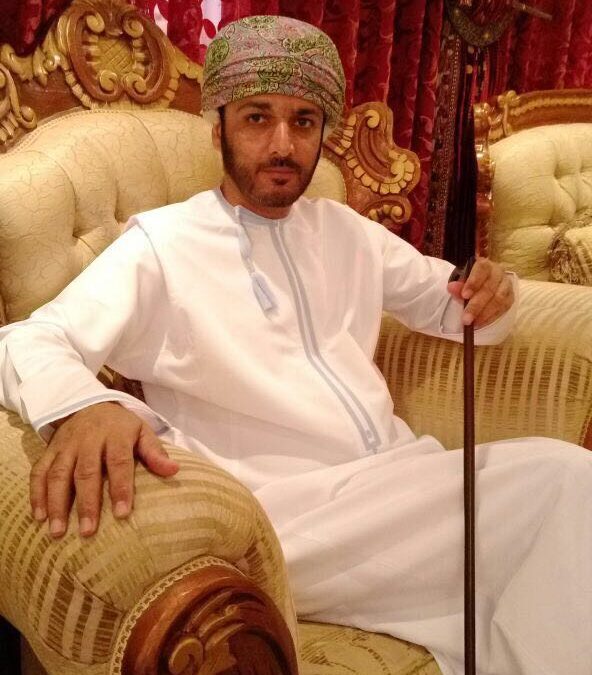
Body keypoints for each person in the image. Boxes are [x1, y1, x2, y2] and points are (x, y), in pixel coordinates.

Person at [0, 15, 590, 675]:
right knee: (563, 485)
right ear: (218, 127)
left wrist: (495, 290)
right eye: (258, 118)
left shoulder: (344, 229)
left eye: (303, 121)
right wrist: (84, 405)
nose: (282, 144)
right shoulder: (162, 245)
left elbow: (453, 304)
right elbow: (30, 338)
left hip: (399, 480)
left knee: (561, 514)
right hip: (286, 514)